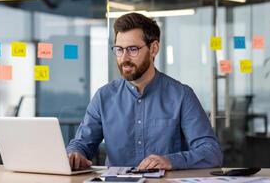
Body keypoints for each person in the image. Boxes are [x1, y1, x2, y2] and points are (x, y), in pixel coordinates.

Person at [66, 12, 223, 170]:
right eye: (119, 49)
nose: (124, 58)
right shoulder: (103, 97)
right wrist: (75, 154)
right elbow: (81, 144)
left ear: (153, 49)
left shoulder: (181, 95)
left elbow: (211, 153)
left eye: (132, 49)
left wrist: (171, 161)